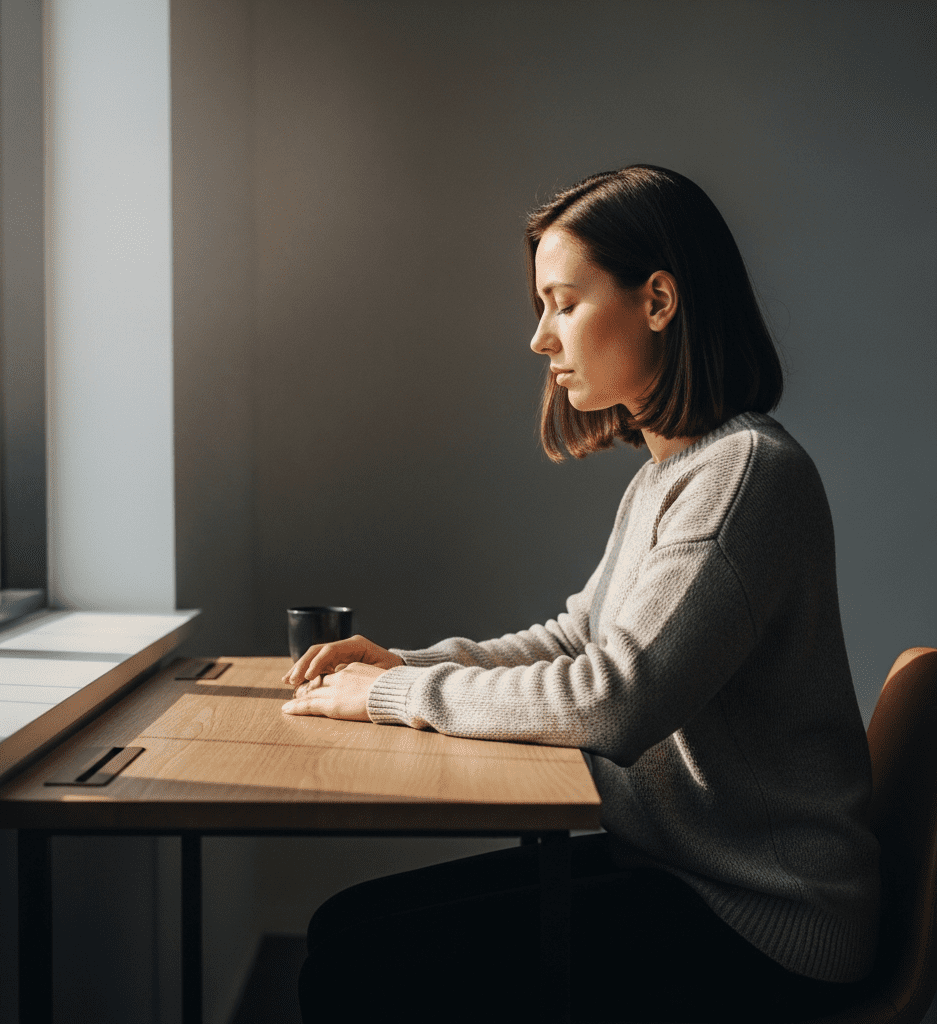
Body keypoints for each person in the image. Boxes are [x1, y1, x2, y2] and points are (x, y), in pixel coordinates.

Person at [280, 165, 880, 1023]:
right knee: (342, 930)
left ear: (659, 300)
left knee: (360, 970)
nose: (540, 339)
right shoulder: (673, 473)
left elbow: (613, 699)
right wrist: (402, 662)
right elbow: (576, 640)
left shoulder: (747, 476)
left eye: (562, 303)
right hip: (679, 871)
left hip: (765, 922)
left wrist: (390, 695)